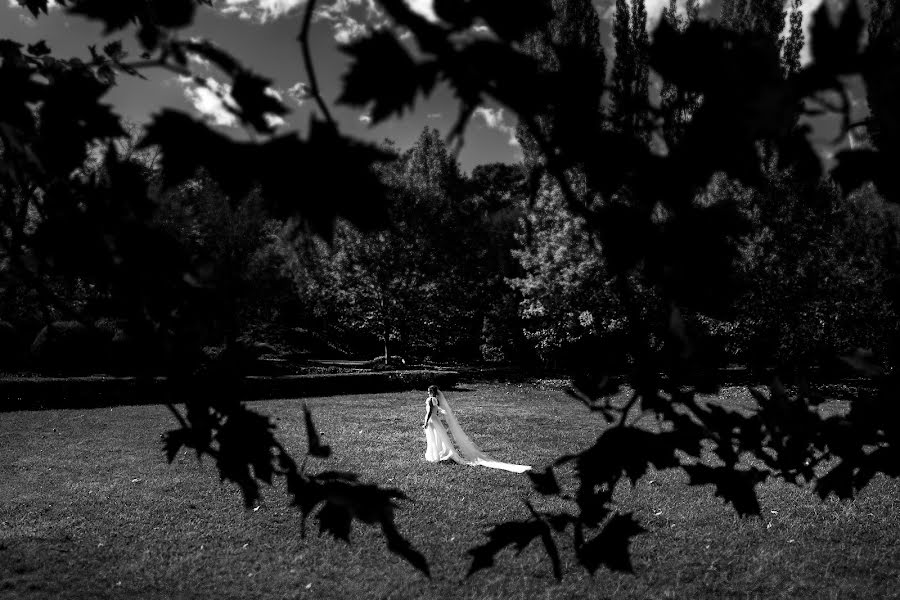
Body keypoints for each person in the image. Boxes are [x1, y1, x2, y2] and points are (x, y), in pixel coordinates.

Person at [421, 385, 531, 473]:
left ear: (431, 391)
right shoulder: (436, 400)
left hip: (432, 420)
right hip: (436, 420)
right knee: (438, 437)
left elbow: (430, 412)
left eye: (428, 391)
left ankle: (436, 454)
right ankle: (440, 453)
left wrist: (426, 422)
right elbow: (437, 411)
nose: (427, 393)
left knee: (434, 437)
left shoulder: (430, 400)